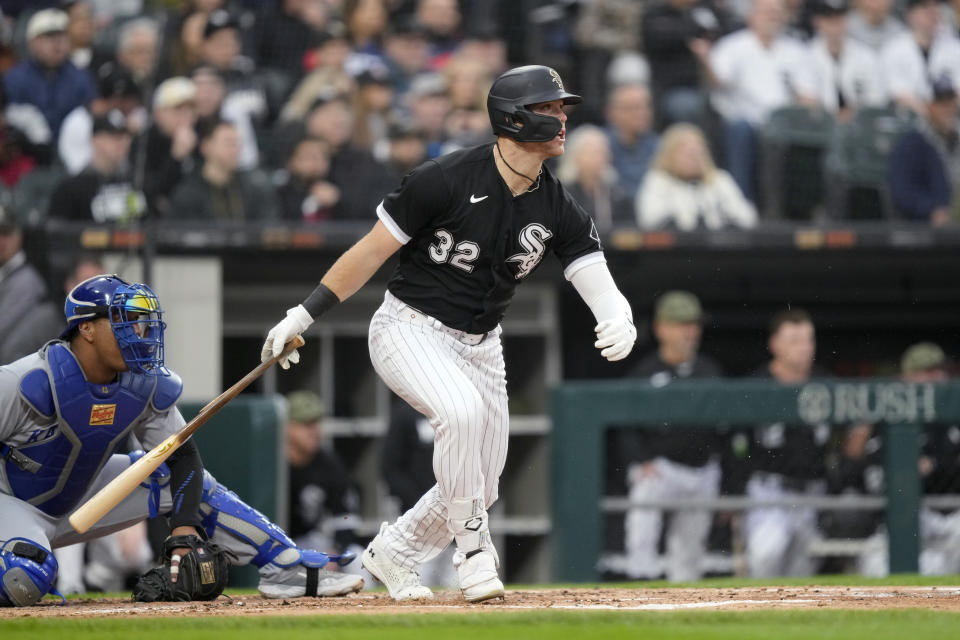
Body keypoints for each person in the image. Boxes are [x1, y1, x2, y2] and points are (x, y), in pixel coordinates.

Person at [260, 65, 637, 603]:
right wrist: (302, 315)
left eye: (561, 110)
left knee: (484, 485)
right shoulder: (444, 178)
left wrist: (615, 313)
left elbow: (590, 266)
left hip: (483, 344)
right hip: (408, 327)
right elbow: (370, 251)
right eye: (549, 109)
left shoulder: (556, 202)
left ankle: (399, 551)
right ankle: (474, 554)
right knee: (459, 415)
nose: (561, 120)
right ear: (513, 118)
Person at [0, 274, 364, 607]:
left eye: (139, 323)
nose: (139, 335)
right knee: (25, 576)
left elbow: (181, 457)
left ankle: (286, 567)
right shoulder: (24, 382)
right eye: (124, 322)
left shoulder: (143, 382)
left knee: (187, 484)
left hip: (81, 492)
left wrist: (185, 528)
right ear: (88, 329)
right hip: (10, 501)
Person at [620, 291, 725, 582]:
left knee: (689, 553)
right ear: (660, 328)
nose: (690, 332)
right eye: (681, 324)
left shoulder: (710, 372)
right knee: (642, 528)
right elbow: (625, 426)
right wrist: (640, 459)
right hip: (661, 469)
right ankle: (639, 584)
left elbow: (725, 430)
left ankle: (682, 607)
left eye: (694, 324)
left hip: (701, 470)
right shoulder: (644, 373)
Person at [744, 309, 830, 577]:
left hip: (814, 493)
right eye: (794, 340)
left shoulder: (827, 385)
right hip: (770, 491)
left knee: (803, 571)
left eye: (808, 340)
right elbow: (735, 446)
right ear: (774, 345)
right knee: (766, 554)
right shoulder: (755, 386)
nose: (803, 348)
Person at [706, 0, 817, 202]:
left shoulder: (795, 50)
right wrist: (704, 59)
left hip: (785, 124)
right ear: (752, 16)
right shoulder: (733, 46)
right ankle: (741, 204)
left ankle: (796, 209)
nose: (773, 17)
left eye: (777, 12)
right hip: (744, 120)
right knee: (742, 130)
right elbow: (718, 82)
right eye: (767, 12)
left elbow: (808, 95)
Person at [637, 123, 757, 230]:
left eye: (699, 153)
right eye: (688, 154)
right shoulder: (658, 180)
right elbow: (650, 220)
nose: (695, 159)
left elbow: (747, 218)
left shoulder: (719, 179)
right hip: (674, 251)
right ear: (670, 155)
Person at [284, 391, 359, 557]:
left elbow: (346, 516)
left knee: (357, 557)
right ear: (287, 426)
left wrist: (336, 551)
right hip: (272, 544)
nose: (314, 431)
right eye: (306, 424)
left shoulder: (328, 463)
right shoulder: (269, 462)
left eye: (316, 423)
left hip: (307, 540)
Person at [3, 9, 96, 142]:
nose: (57, 43)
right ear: (32, 43)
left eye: (62, 36)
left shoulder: (81, 77)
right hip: (28, 152)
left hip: (71, 148)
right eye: (49, 36)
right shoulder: (14, 78)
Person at [169, 118, 278, 222]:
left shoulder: (252, 189)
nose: (235, 149)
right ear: (206, 146)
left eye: (237, 143)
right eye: (228, 143)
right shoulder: (189, 193)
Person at [47, 110, 147, 224]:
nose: (123, 143)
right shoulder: (71, 189)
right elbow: (57, 233)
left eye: (126, 137)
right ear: (95, 140)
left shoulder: (139, 181)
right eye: (115, 137)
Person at [888, 77, 960, 225]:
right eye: (941, 104)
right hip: (929, 227)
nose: (948, 109)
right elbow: (902, 191)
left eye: (950, 103)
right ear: (928, 106)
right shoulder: (912, 144)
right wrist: (931, 210)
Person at [807, 0, 886, 119]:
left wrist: (853, 113)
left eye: (839, 18)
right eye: (829, 18)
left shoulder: (866, 56)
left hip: (860, 126)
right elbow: (806, 98)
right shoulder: (806, 56)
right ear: (818, 21)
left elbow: (877, 99)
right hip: (819, 127)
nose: (834, 24)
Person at [880, 0, 960, 115]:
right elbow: (898, 93)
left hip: (952, 118)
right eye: (924, 7)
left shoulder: (954, 46)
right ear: (910, 14)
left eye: (936, 5)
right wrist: (931, 112)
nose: (933, 11)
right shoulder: (893, 49)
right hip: (909, 121)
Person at [555, 124, 634, 234]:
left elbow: (629, 231)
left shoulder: (618, 196)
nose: (600, 158)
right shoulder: (562, 195)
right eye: (593, 153)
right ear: (575, 157)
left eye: (602, 152)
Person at [603, 83, 660, 200]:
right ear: (612, 113)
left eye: (646, 107)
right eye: (634, 108)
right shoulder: (600, 146)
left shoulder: (659, 146)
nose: (642, 114)